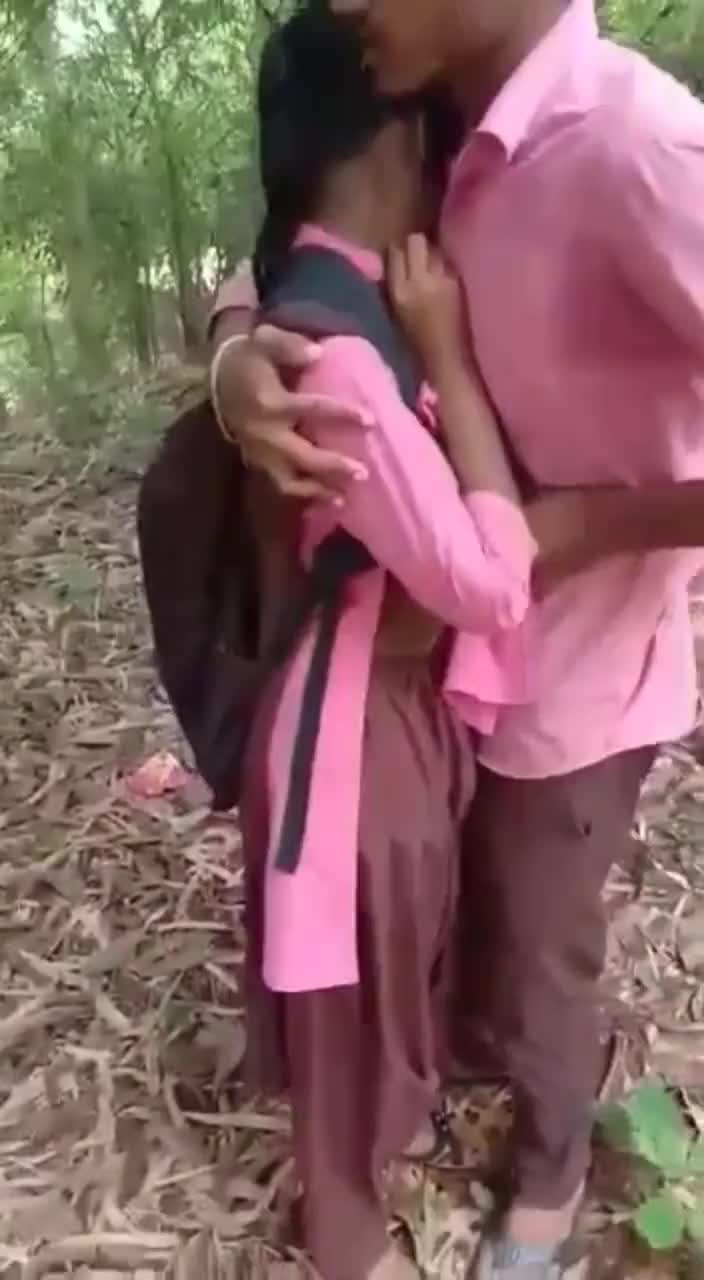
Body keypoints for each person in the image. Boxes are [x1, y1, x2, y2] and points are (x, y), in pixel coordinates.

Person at [210, 1, 704, 1277]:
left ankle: (547, 1176)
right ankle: (450, 1070)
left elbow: (508, 557)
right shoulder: (439, 108)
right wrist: (234, 356)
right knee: (469, 904)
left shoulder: (634, 151)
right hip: (447, 655)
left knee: (540, 940)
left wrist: (583, 525)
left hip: (573, 660)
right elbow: (296, 237)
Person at [236, 8, 539, 1280]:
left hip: (380, 703)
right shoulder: (344, 353)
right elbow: (488, 583)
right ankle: (348, 1244)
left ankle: (364, 1183)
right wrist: (450, 362)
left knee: (381, 973)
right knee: (356, 1008)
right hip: (353, 724)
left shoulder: (327, 301)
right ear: (392, 141)